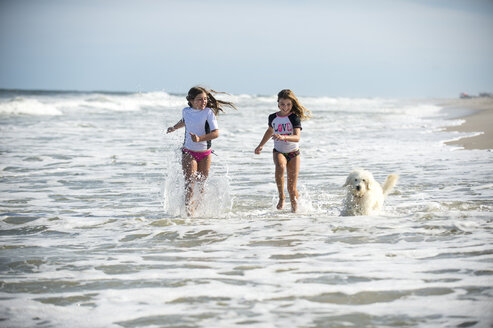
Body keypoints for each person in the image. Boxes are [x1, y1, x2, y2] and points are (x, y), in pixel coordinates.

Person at [167, 86, 236, 216]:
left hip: (205, 153)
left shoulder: (208, 112)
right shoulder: (186, 111)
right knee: (190, 182)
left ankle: (198, 210)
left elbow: (216, 133)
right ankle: (189, 212)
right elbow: (185, 121)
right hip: (188, 151)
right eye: (199, 99)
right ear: (191, 100)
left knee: (201, 184)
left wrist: (199, 139)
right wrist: (174, 127)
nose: (203, 102)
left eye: (205, 99)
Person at [254, 89, 311, 212]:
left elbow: (297, 137)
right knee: (280, 166)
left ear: (292, 104)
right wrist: (261, 145)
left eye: (288, 104)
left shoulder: (294, 118)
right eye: (282, 104)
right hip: (278, 151)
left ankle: (294, 212)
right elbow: (270, 131)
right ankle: (281, 197)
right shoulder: (273, 117)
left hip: (294, 153)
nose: (285, 107)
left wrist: (283, 137)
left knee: (292, 187)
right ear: (278, 103)